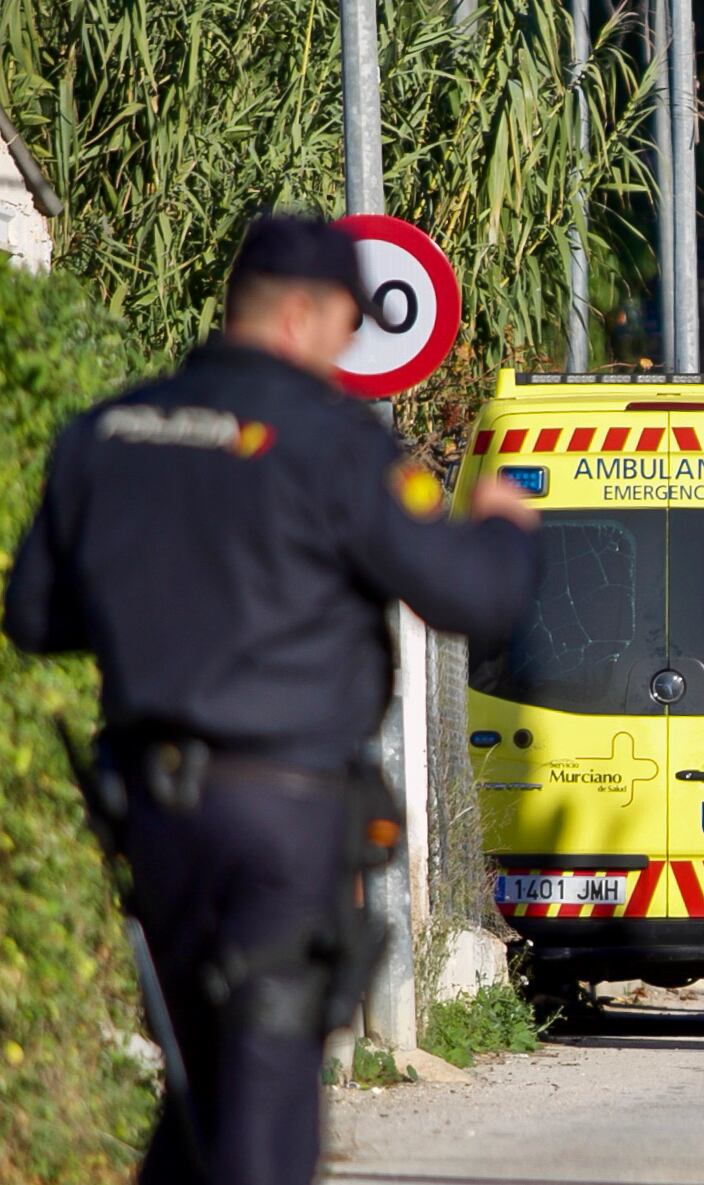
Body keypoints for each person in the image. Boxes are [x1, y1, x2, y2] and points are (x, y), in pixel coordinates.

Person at [3, 214, 542, 1185]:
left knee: (200, 1078)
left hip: (150, 818)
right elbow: (470, 598)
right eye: (344, 325)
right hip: (279, 819)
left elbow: (36, 616)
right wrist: (502, 529)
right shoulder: (331, 445)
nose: (344, 351)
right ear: (301, 315)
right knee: (265, 1093)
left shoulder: (108, 432)